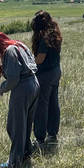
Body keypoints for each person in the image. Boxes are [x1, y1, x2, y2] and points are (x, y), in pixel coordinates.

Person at [0, 31, 39, 168]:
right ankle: (26, 154)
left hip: (22, 88)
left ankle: (14, 162)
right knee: (26, 123)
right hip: (34, 83)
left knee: (15, 126)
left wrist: (2, 89)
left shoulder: (10, 51)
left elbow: (13, 79)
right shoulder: (19, 44)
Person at [30, 10, 63, 150]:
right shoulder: (55, 34)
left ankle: (40, 139)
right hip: (55, 72)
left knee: (41, 107)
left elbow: (40, 59)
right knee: (53, 105)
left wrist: (30, 60)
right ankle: (52, 135)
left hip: (44, 75)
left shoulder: (44, 38)